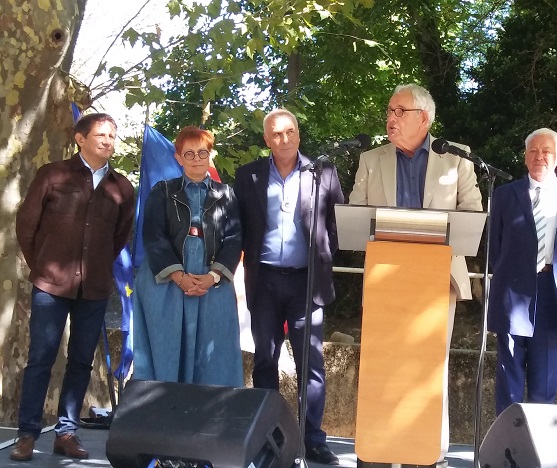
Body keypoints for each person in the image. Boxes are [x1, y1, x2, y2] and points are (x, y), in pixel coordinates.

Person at [348, 83, 483, 461]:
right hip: (384, 280)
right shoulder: (371, 160)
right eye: (389, 111)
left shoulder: (456, 158)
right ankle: (378, 451)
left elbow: (473, 214)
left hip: (437, 280)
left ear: (423, 118)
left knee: (429, 370)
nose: (390, 118)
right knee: (382, 367)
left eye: (399, 112)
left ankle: (427, 454)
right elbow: (356, 216)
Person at [12, 113, 136, 461]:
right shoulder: (52, 175)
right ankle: (27, 434)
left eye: (112, 136)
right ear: (80, 139)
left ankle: (66, 432)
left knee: (81, 361)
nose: (108, 141)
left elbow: (119, 237)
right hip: (50, 285)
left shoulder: (122, 188)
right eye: (101, 134)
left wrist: (97, 267)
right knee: (40, 359)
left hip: (94, 289)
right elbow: (27, 225)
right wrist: (43, 265)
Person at [234, 109, 344, 465]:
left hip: (306, 282)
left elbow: (337, 224)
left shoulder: (322, 172)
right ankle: (270, 438)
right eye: (277, 134)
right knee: (265, 360)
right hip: (264, 279)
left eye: (290, 131)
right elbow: (239, 227)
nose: (285, 139)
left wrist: (322, 259)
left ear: (298, 134)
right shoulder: (248, 175)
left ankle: (312, 439)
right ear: (266, 139)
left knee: (311, 362)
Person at [487, 128, 557, 415]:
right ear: (525, 156)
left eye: (546, 151)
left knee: (544, 382)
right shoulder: (505, 195)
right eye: (533, 151)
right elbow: (495, 248)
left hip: (553, 295)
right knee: (509, 379)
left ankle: (539, 441)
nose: (539, 157)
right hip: (513, 291)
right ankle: (508, 440)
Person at [131, 126, 243, 386]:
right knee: (167, 346)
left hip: (212, 281)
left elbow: (234, 238)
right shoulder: (162, 191)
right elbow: (153, 235)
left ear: (209, 155)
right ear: (178, 158)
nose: (196, 159)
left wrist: (213, 276)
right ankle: (162, 404)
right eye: (189, 154)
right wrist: (178, 276)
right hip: (166, 281)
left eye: (202, 153)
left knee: (215, 349)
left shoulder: (226, 194)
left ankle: (212, 407)